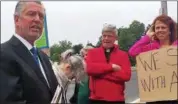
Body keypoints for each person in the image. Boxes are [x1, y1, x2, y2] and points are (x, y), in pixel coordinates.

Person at [0, 1, 58, 104]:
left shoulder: (44, 57)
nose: (37, 19)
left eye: (41, 16)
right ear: (16, 19)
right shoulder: (4, 54)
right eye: (31, 14)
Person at [129, 14, 177, 104]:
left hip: (173, 97)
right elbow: (132, 52)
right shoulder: (150, 47)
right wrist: (147, 37)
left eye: (163, 27)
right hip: (154, 98)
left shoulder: (176, 47)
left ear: (170, 30)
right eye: (157, 28)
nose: (160, 30)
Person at [86, 24, 131, 104]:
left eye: (109, 36)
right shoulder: (92, 52)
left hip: (117, 99)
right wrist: (112, 67)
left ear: (115, 38)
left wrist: (99, 73)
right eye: (104, 36)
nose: (106, 38)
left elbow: (126, 76)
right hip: (96, 99)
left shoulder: (123, 55)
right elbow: (89, 69)